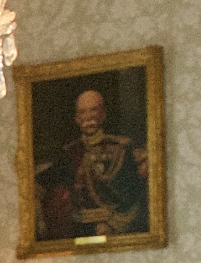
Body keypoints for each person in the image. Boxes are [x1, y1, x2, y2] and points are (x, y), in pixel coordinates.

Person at [59, 87, 147, 236]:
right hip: (81, 226)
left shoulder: (122, 148)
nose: (88, 117)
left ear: (103, 115)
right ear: (77, 119)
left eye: (93, 110)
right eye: (82, 112)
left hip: (119, 222)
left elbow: (134, 190)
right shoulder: (69, 152)